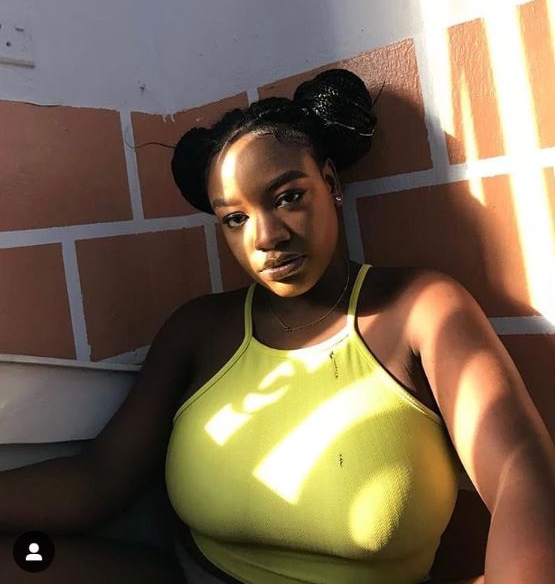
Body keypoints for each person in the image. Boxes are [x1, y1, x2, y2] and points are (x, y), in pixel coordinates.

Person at [0, 68, 552, 584]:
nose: (266, 237)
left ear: (330, 182)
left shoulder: (421, 309)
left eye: (288, 197)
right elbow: (98, 479)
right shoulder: (199, 329)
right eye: (235, 218)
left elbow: (523, 480)